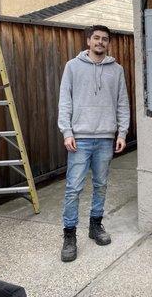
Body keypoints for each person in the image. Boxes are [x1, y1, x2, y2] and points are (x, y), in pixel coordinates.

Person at [58, 24, 129, 262]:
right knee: (73, 188)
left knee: (101, 185)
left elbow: (122, 103)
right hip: (80, 138)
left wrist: (122, 132)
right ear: (88, 41)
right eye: (96, 38)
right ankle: (69, 235)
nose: (100, 42)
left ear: (108, 43)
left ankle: (95, 225)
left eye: (105, 39)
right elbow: (64, 102)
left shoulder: (116, 70)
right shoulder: (72, 67)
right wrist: (67, 131)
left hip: (106, 138)